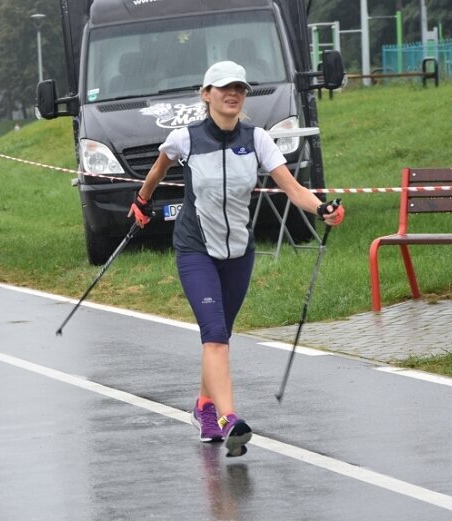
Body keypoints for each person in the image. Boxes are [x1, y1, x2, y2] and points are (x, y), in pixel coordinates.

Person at [128, 61, 345, 457]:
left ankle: (204, 407)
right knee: (214, 335)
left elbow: (293, 188)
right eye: (225, 87)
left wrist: (321, 209)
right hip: (195, 248)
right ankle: (230, 419)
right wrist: (142, 201)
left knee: (220, 337)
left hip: (238, 252)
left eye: (240, 89)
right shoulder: (185, 138)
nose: (234, 94)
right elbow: (158, 171)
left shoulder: (257, 138)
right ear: (206, 93)